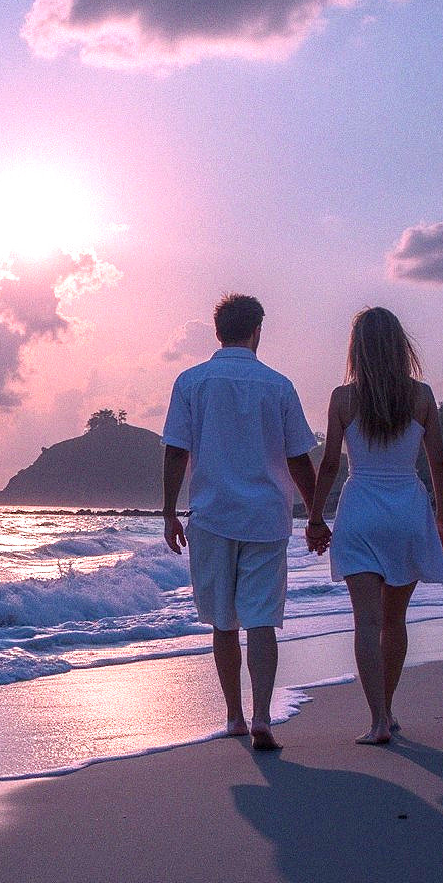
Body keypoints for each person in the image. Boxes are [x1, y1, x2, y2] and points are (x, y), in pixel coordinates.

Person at [162, 294, 322, 751]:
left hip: (211, 516)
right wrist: (313, 516)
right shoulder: (279, 386)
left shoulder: (191, 382)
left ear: (218, 332)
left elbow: (176, 449)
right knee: (262, 621)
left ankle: (233, 715)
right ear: (257, 331)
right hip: (267, 517)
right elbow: (299, 459)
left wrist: (170, 511)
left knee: (224, 623)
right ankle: (262, 717)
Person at [308, 307, 443, 745]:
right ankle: (387, 708)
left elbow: (331, 463)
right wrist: (442, 519)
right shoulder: (422, 396)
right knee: (395, 621)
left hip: (361, 512)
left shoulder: (343, 398)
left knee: (366, 622)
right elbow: (439, 463)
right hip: (407, 511)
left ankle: (377, 720)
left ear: (357, 349)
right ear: (399, 345)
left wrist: (315, 516)